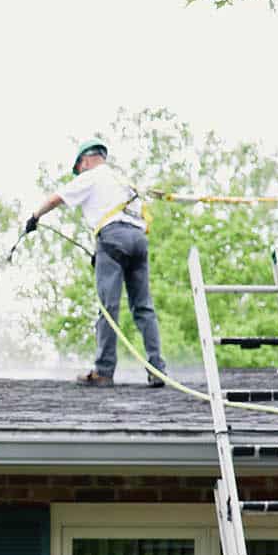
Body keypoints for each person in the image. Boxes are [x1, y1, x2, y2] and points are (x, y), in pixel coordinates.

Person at [26, 137, 168, 387]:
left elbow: (55, 199)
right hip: (138, 241)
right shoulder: (123, 181)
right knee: (143, 307)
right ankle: (158, 369)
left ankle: (103, 371)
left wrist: (35, 217)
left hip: (113, 239)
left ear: (87, 160)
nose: (80, 171)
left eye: (79, 167)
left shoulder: (92, 176)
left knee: (108, 308)